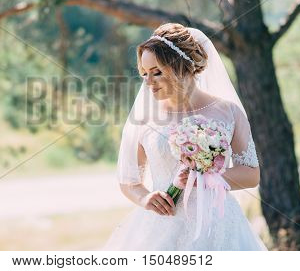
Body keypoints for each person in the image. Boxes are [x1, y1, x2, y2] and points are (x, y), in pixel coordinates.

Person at [101, 23, 268, 250]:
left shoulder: (229, 112)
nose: (148, 82)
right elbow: (129, 181)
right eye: (144, 74)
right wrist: (145, 198)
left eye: (157, 72)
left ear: (183, 66)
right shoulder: (144, 118)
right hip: (162, 225)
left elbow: (250, 174)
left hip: (217, 225)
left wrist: (204, 178)